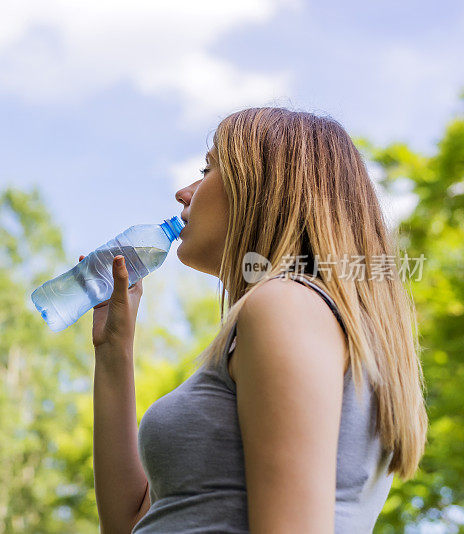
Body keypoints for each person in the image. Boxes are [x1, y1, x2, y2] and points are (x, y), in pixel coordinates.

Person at [79, 107, 428, 533]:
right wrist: (114, 348)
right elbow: (129, 524)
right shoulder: (289, 315)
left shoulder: (285, 306)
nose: (183, 193)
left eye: (207, 169)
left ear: (265, 189)